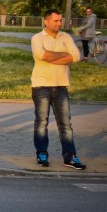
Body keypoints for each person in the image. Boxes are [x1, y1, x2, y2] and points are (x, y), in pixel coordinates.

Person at [31, 9, 85, 169]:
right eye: (56, 20)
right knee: (41, 122)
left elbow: (76, 56)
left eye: (60, 20)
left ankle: (70, 157)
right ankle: (42, 154)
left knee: (65, 124)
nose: (59, 23)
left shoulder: (66, 37)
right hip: (41, 85)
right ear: (46, 21)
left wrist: (52, 56)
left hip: (61, 85)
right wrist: (63, 55)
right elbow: (42, 56)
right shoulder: (37, 38)